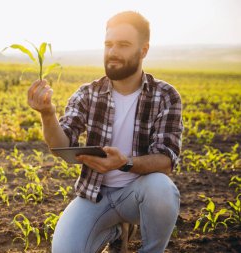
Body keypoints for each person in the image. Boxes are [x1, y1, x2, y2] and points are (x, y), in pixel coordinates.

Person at [27, 11, 183, 253]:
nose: (113, 52)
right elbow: (61, 144)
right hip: (95, 195)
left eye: (123, 45)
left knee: (162, 190)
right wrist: (47, 114)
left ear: (143, 51)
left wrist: (125, 163)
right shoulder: (87, 93)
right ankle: (117, 230)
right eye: (108, 44)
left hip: (138, 194)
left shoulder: (165, 95)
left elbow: (165, 160)